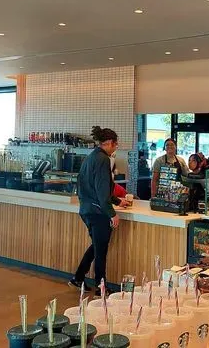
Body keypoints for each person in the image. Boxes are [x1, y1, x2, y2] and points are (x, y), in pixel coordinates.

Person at [70, 126, 129, 295]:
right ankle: (100, 287)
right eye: (115, 144)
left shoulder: (91, 157)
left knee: (97, 246)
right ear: (109, 143)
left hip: (87, 209)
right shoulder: (103, 160)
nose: (116, 148)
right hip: (98, 212)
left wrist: (118, 201)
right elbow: (102, 191)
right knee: (101, 250)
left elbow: (96, 187)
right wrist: (112, 213)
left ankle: (78, 278)